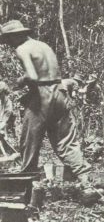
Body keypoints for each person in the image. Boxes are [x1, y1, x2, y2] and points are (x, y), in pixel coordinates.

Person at [0, 20, 91, 183]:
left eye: (8, 40)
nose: (8, 44)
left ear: (15, 36)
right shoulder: (43, 45)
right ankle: (86, 181)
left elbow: (33, 76)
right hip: (60, 91)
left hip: (42, 96)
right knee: (65, 140)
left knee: (29, 141)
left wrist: (20, 80)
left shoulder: (21, 49)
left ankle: (27, 185)